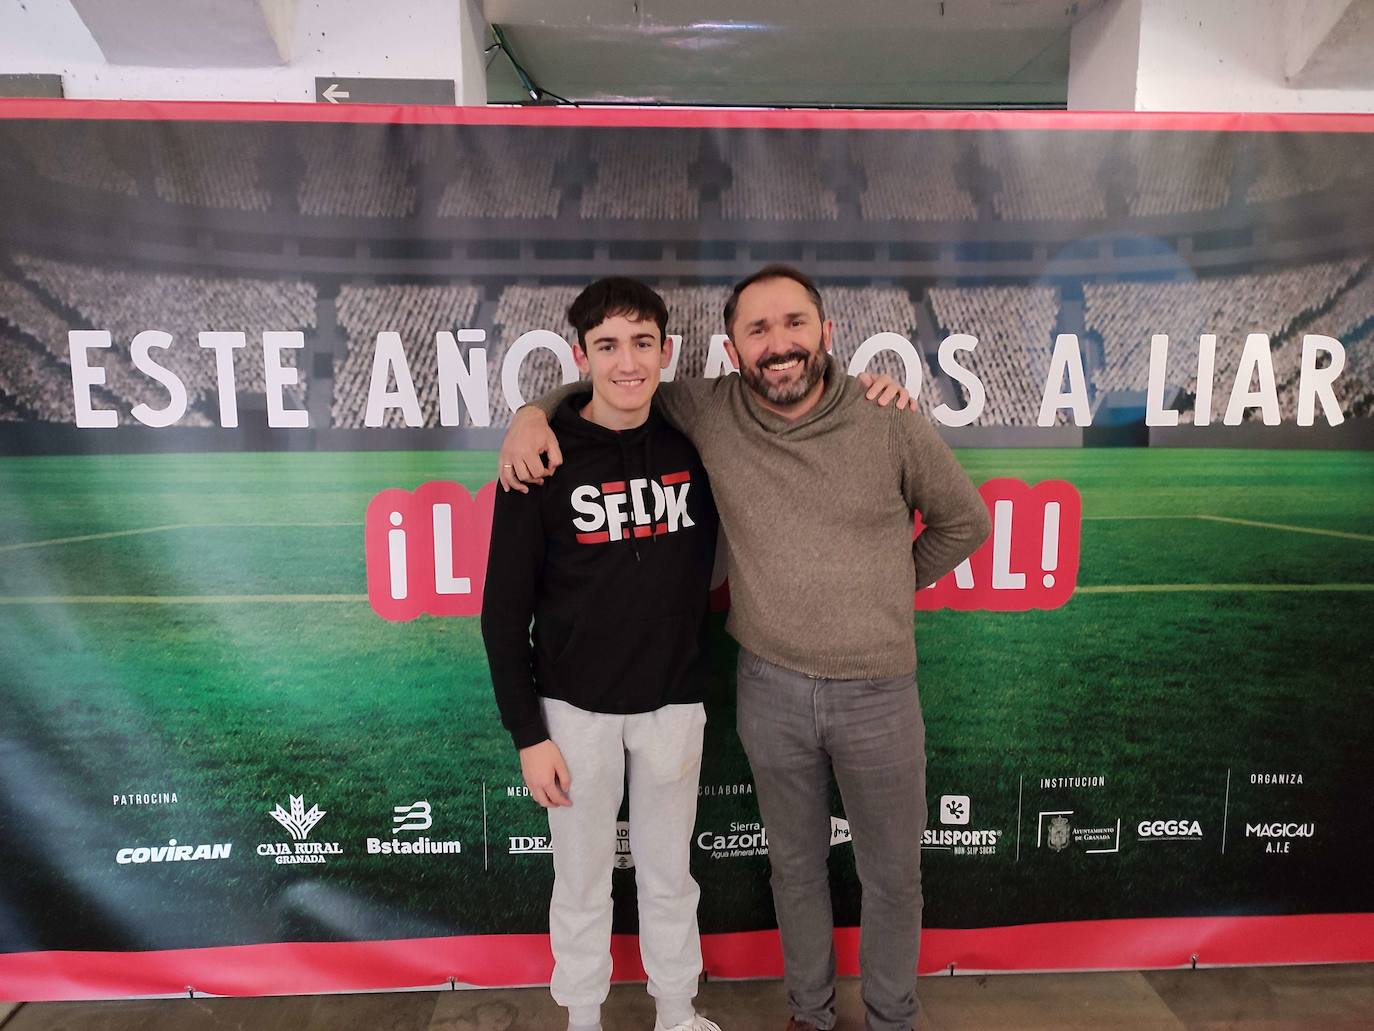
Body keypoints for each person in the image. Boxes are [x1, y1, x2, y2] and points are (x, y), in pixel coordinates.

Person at [499, 265, 991, 1031]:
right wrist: (530, 411)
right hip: (713, 691)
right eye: (758, 330)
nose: (778, 343)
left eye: (794, 323)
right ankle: (768, 1015)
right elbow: (605, 392)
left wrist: (886, 587)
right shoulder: (686, 415)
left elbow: (966, 522)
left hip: (821, 692)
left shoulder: (874, 416)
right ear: (731, 349)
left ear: (827, 333)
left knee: (870, 876)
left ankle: (854, 1017)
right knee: (759, 872)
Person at [481, 277, 723, 1031]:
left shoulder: (696, 445)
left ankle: (677, 1014)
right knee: (581, 880)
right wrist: (529, 734)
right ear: (581, 354)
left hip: (674, 701)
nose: (627, 362)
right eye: (609, 345)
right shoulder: (542, 456)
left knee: (668, 876)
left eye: (643, 342)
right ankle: (582, 1018)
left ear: (666, 350)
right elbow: (500, 616)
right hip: (573, 710)